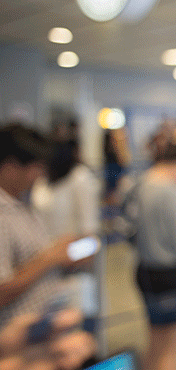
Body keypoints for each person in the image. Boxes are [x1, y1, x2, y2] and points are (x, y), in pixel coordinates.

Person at [0, 124, 81, 329]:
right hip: (17, 338)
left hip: (44, 324)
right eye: (36, 167)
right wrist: (50, 258)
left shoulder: (21, 204)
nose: (40, 175)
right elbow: (2, 291)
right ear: (10, 167)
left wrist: (59, 253)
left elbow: (31, 259)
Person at [134, 144, 176, 370]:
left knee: (154, 341)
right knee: (171, 349)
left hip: (145, 270)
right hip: (171, 274)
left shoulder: (141, 184)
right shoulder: (172, 192)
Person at [31, 139, 101, 330]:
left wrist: (64, 256)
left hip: (71, 267)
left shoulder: (80, 177)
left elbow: (91, 236)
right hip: (41, 266)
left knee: (76, 330)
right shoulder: (42, 180)